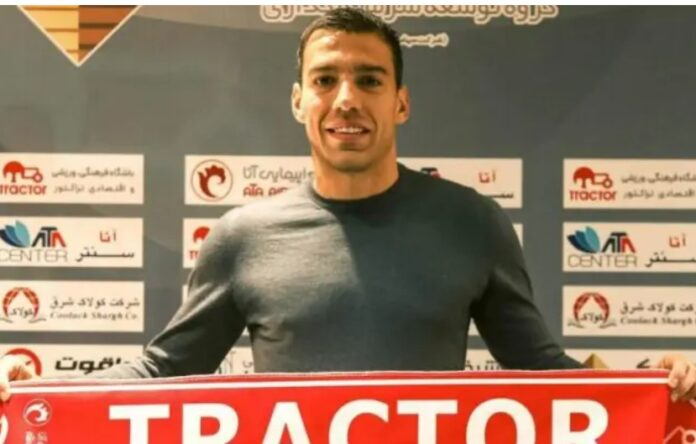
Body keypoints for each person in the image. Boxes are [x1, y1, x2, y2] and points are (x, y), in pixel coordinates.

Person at [2, 7, 695, 402]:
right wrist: (36, 391)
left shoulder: (473, 222)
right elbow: (164, 371)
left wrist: (652, 384)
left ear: (401, 101)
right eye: (325, 80)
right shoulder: (243, 236)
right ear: (297, 100)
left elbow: (542, 372)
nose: (346, 100)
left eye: (369, 80)